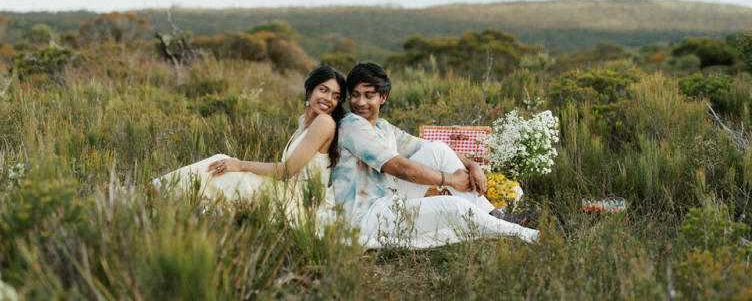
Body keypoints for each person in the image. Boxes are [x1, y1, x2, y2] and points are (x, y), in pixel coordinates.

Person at [331, 63, 539, 248]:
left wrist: (471, 165)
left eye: (369, 95)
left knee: (438, 149)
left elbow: (426, 146)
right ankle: (532, 236)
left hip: (387, 201)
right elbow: (400, 167)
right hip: (365, 218)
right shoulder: (352, 125)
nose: (360, 102)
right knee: (454, 206)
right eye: (355, 95)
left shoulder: (383, 127)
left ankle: (497, 217)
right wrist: (451, 180)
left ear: (383, 98)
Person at [153, 66, 346, 220]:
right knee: (222, 166)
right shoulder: (302, 122)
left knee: (227, 168)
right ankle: (160, 194)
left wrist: (241, 165)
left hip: (300, 204)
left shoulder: (325, 122)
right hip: (284, 192)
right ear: (309, 90)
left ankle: (156, 192)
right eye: (323, 90)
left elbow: (288, 170)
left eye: (336, 96)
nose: (328, 99)